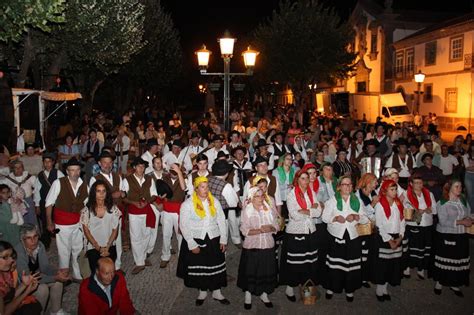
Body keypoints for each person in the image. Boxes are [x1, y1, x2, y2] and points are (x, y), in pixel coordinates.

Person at [177, 176, 229, 306]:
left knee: (215, 264)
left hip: (213, 238)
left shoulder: (214, 201)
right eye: (202, 187)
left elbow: (221, 220)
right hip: (197, 238)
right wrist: (191, 243)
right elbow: (184, 225)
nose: (206, 190)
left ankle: (217, 291)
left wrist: (223, 238)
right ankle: (202, 291)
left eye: (207, 187)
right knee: (201, 265)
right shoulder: (187, 204)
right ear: (196, 188)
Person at [322, 175, 367, 302]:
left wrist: (356, 216)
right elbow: (325, 217)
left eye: (350, 184)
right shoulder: (332, 201)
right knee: (335, 264)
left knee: (350, 264)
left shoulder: (357, 200)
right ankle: (331, 287)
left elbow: (364, 218)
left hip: (352, 235)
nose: (347, 187)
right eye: (344, 184)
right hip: (337, 235)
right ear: (339, 187)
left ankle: (349, 289)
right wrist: (335, 218)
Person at [279, 169, 322, 302]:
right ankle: (290, 287)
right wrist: (311, 210)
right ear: (297, 180)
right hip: (295, 232)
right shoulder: (292, 194)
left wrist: (305, 210)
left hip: (310, 230)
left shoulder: (311, 192)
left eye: (306, 178)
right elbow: (294, 215)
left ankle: (307, 292)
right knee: (295, 263)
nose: (305, 181)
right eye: (302, 178)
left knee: (309, 263)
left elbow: (319, 211)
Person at [237, 186, 279, 310]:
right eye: (257, 196)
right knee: (251, 270)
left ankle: (264, 294)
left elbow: (276, 225)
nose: (260, 198)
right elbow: (244, 230)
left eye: (262, 195)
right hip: (252, 246)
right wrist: (260, 230)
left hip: (267, 245)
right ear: (251, 198)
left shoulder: (268, 208)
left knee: (266, 270)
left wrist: (271, 228)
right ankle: (248, 294)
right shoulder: (247, 211)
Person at [14, 224, 69, 315]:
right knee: (42, 290)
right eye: (29, 238)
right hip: (22, 283)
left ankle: (56, 311)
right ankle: (39, 312)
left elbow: (45, 267)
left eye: (35, 236)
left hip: (35, 276)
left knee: (58, 283)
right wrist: (54, 277)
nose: (33, 241)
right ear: (22, 239)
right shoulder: (19, 252)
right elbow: (28, 279)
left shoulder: (40, 245)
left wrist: (58, 273)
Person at [433, 179, 472, 297]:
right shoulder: (442, 202)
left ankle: (454, 283)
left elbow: (468, 213)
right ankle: (439, 282)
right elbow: (443, 221)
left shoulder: (463, 200)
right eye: (456, 187)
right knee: (446, 259)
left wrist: (470, 219)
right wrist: (462, 222)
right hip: (447, 234)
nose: (459, 189)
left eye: (460, 186)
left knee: (458, 259)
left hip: (461, 235)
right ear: (449, 188)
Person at [122, 157, 159, 275]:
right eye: (138, 166)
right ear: (134, 167)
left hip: (147, 209)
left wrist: (147, 202)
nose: (141, 168)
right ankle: (139, 263)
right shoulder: (127, 180)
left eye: (143, 166)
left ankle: (142, 257)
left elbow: (154, 195)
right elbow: (123, 197)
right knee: (135, 236)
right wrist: (134, 203)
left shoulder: (149, 179)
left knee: (146, 234)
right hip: (134, 211)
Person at [89, 151, 125, 271]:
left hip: (117, 211)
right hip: (103, 214)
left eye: (110, 162)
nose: (107, 165)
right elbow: (93, 198)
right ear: (99, 164)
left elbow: (123, 191)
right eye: (104, 163)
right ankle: (103, 266)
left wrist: (123, 193)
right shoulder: (94, 179)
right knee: (105, 238)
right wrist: (111, 195)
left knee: (117, 238)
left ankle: (117, 265)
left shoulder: (117, 176)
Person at [373, 180, 406, 302]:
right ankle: (379, 288)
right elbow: (379, 225)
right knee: (383, 265)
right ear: (385, 191)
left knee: (393, 264)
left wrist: (400, 236)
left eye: (395, 189)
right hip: (384, 238)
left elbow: (402, 220)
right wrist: (389, 240)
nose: (395, 192)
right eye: (392, 190)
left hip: (396, 235)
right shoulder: (380, 205)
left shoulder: (398, 203)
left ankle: (385, 287)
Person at [81, 181, 120, 274]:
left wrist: (107, 247)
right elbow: (86, 231)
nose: (101, 194)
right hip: (93, 247)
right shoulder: (86, 211)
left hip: (110, 246)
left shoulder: (113, 209)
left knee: (110, 273)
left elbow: (115, 230)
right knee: (96, 273)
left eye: (104, 191)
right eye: (98, 191)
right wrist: (98, 248)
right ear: (94, 193)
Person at [402, 175, 437, 280]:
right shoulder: (405, 194)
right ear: (411, 184)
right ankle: (407, 267)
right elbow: (403, 210)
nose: (419, 185)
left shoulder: (429, 194)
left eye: (420, 183)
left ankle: (421, 268)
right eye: (416, 183)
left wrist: (429, 209)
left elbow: (435, 209)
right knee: (411, 246)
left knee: (424, 247)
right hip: (413, 224)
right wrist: (417, 212)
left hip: (426, 224)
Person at [0, 240, 42, 315]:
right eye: (5, 257)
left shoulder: (4, 273)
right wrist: (26, 292)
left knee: (34, 305)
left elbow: (10, 297)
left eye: (10, 256)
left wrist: (24, 285)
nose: (11, 260)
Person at [34, 153, 64, 249]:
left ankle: (60, 240)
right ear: (43, 163)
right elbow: (37, 191)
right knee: (45, 222)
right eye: (45, 162)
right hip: (44, 202)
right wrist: (37, 204)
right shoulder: (40, 175)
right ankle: (46, 243)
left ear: (53, 162)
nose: (47, 164)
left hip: (57, 203)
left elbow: (64, 187)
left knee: (57, 221)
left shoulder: (58, 173)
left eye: (49, 162)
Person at [158, 163, 186, 268]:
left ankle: (181, 255)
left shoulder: (183, 178)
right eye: (172, 172)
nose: (173, 174)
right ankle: (165, 256)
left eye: (176, 172)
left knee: (180, 235)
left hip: (179, 210)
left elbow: (184, 188)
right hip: (166, 210)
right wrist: (162, 196)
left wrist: (179, 173)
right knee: (166, 234)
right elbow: (160, 192)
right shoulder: (165, 178)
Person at [355, 173, 379, 287]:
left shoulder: (374, 193)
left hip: (372, 228)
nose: (377, 184)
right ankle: (360, 277)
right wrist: (373, 204)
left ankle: (366, 276)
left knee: (369, 253)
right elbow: (361, 212)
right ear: (368, 182)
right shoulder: (358, 195)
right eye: (375, 182)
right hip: (362, 228)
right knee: (361, 253)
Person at [0, 160, 37, 226]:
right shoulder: (8, 179)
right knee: (19, 222)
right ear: (12, 169)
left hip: (28, 202)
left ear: (23, 168)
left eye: (20, 167)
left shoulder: (30, 177)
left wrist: (35, 201)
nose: (18, 169)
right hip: (15, 202)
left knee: (31, 221)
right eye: (16, 167)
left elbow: (37, 189)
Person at [272, 153, 297, 220]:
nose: (290, 161)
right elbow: (275, 187)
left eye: (291, 159)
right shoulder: (276, 171)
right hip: (280, 199)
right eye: (287, 159)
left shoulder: (293, 171)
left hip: (291, 198)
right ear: (283, 160)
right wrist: (288, 186)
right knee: (281, 220)